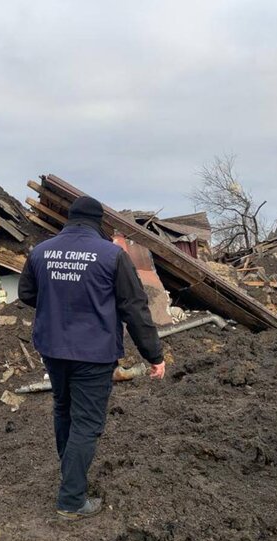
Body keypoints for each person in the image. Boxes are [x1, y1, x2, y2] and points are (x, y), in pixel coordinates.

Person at [18, 195, 166, 520]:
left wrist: (58, 305)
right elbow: (134, 308)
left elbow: (27, 293)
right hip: (93, 353)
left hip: (52, 347)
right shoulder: (112, 255)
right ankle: (71, 499)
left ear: (69, 219)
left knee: (63, 407)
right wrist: (154, 354)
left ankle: (70, 470)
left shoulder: (41, 251)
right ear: (99, 223)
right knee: (87, 422)